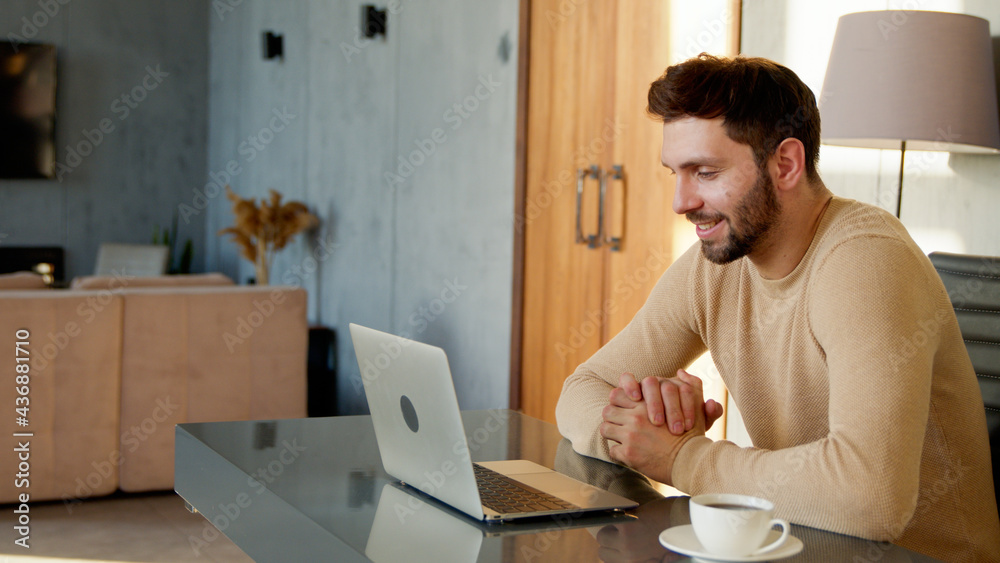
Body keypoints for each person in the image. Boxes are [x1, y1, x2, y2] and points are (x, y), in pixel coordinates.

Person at [554, 54, 1000, 562]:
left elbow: (870, 498)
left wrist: (680, 457)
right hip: (798, 547)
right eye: (675, 173)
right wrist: (642, 425)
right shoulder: (715, 266)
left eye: (705, 171)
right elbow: (580, 391)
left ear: (785, 164)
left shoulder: (866, 261)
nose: (680, 201)